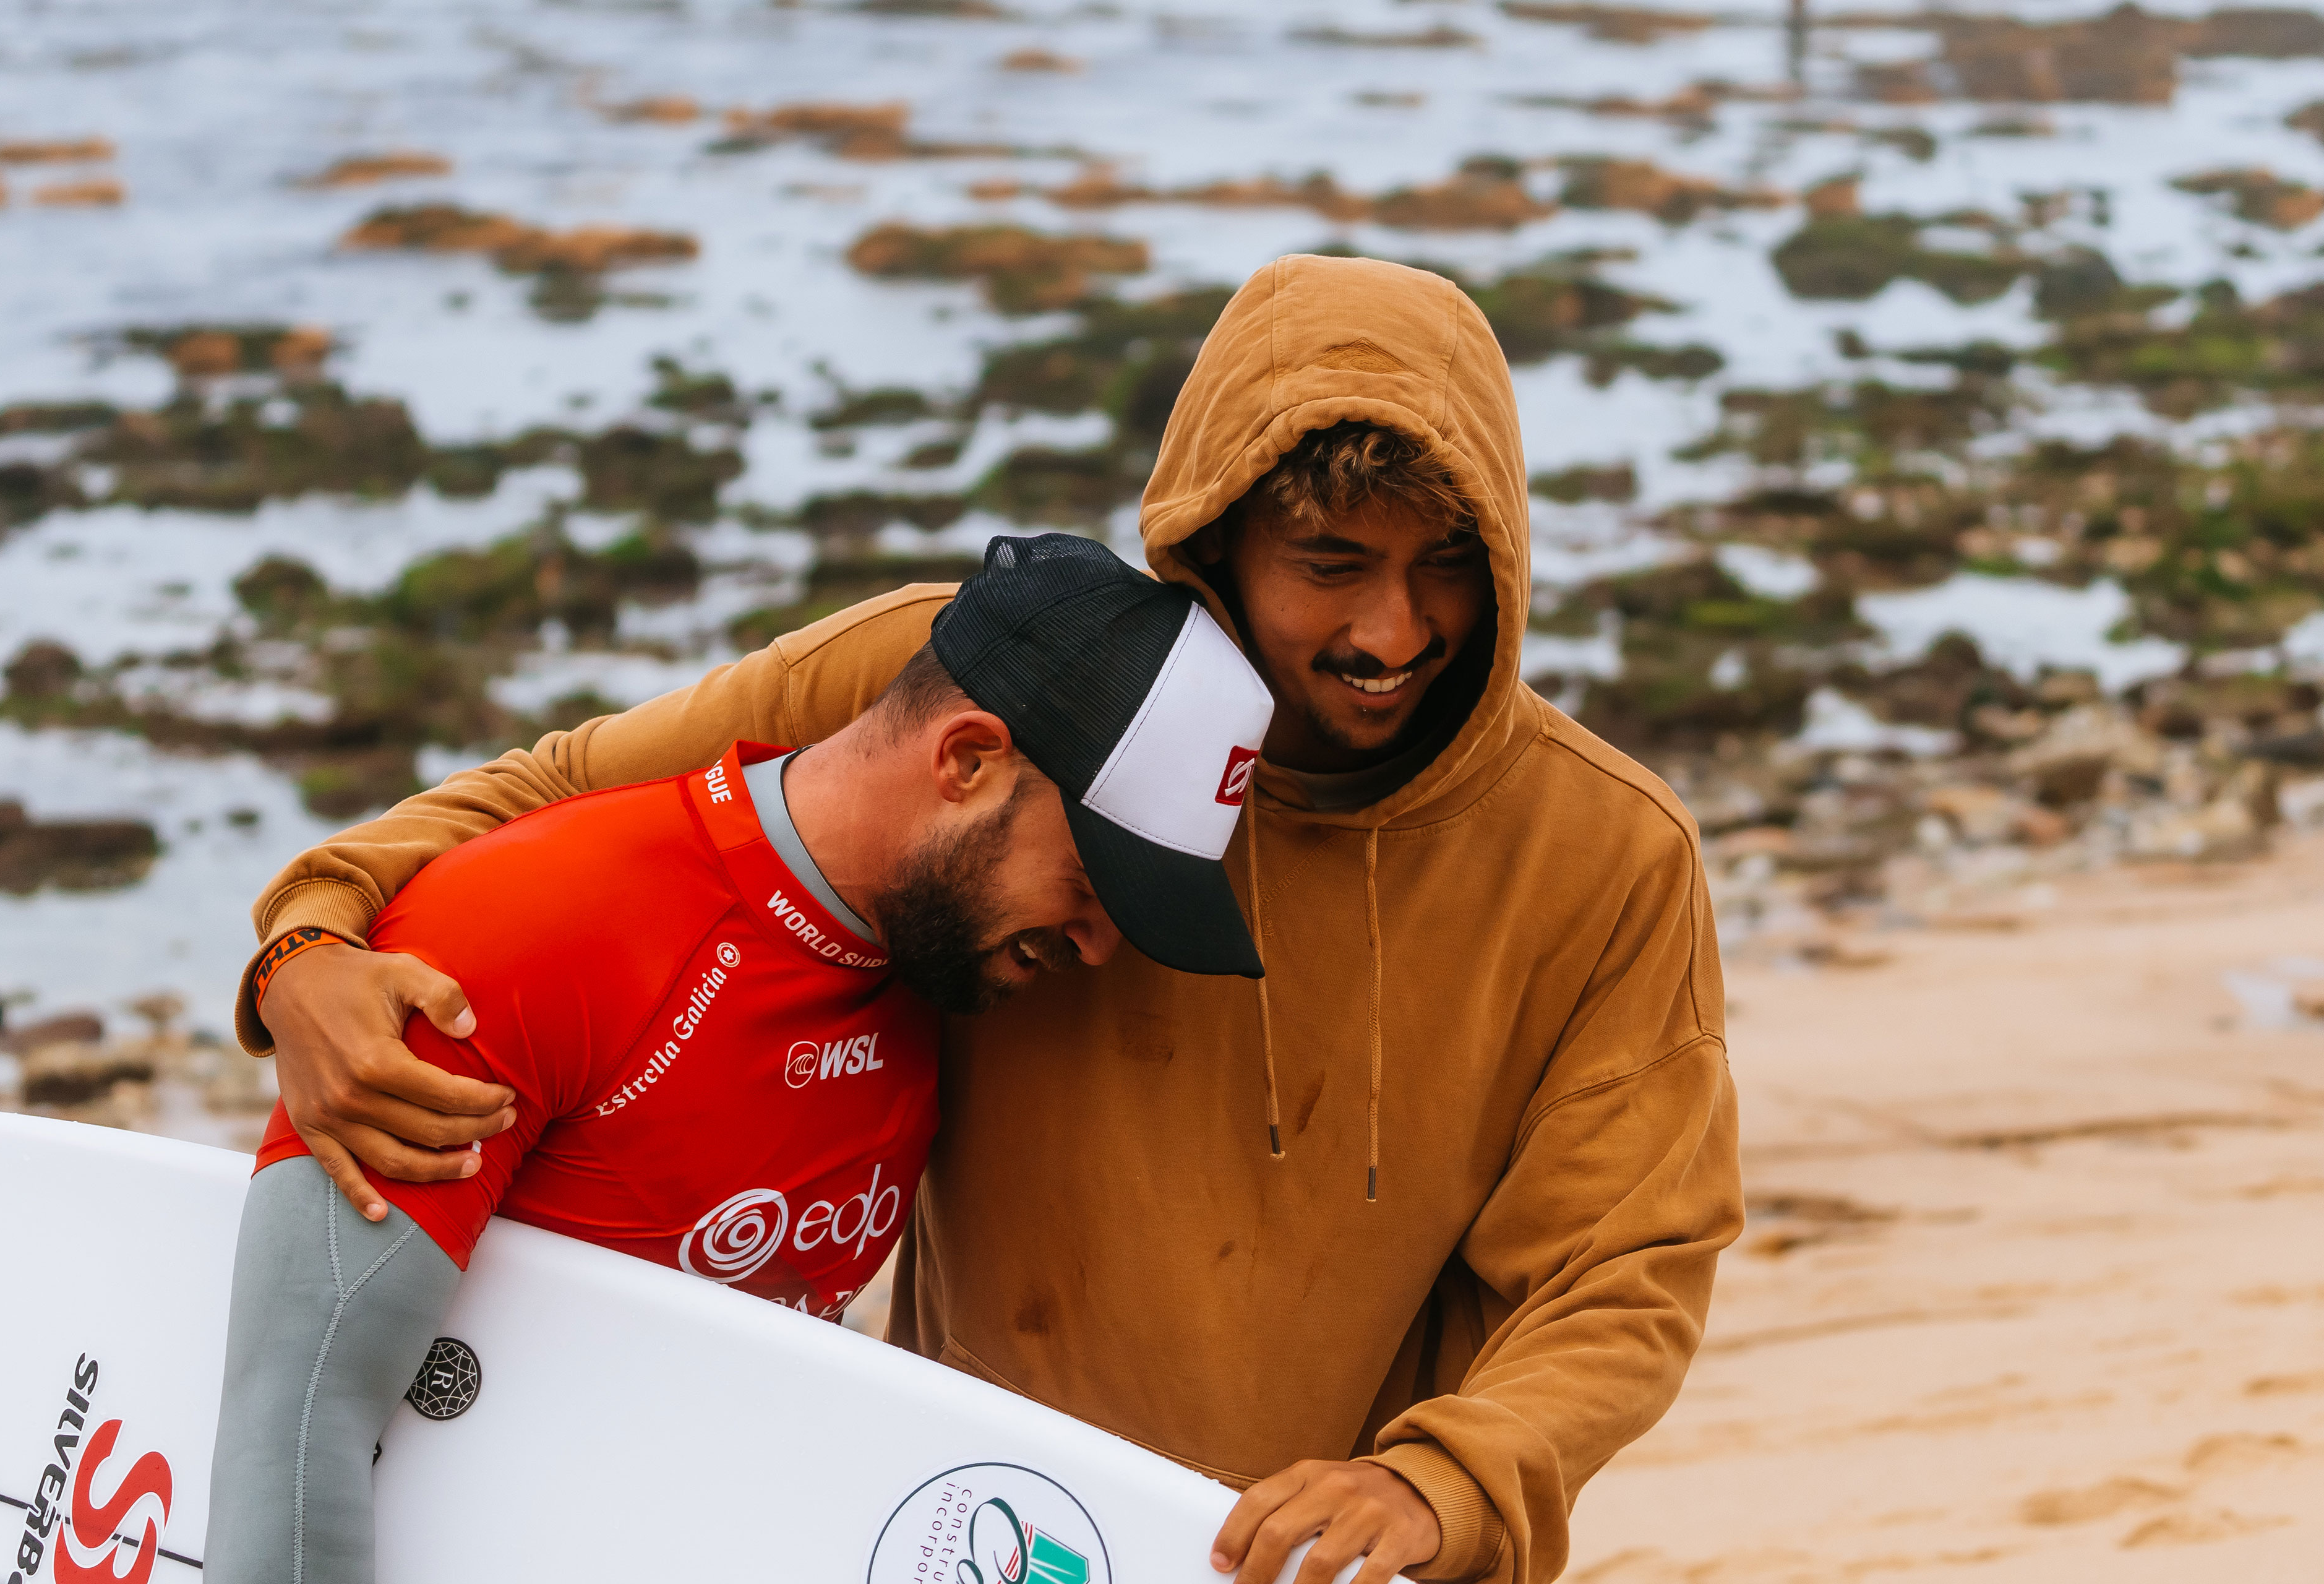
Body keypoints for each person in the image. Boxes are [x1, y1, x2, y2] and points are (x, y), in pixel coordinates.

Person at [240, 254, 1744, 1584]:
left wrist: (1445, 1477)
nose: (1390, 634)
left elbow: (1632, 1263)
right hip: (954, 1527)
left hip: (1325, 1563)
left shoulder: (1604, 857)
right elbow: (557, 797)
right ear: (1217, 542)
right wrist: (309, 941)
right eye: (1332, 566)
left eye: (1448, 570)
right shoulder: (972, 683)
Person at [204, 534, 1274, 1584]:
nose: (1096, 946)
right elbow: (295, 1436)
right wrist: (299, 940)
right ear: (965, 760)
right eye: (1093, 885)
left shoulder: (920, 976)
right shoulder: (530, 933)